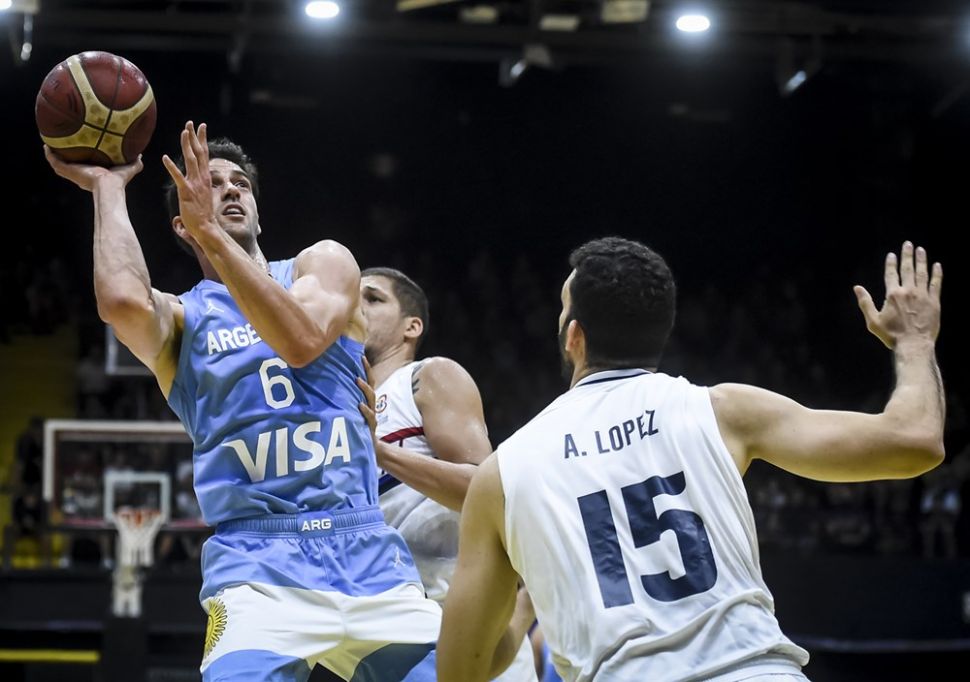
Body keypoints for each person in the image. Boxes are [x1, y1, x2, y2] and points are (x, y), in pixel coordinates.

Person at [438, 237, 945, 681]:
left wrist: (529, 599)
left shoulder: (504, 472)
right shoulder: (723, 411)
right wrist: (915, 342)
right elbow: (916, 440)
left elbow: (463, 670)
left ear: (574, 337)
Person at [45, 121, 441, 681]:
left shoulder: (323, 263)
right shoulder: (184, 320)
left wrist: (212, 233)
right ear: (182, 223)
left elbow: (300, 339)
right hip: (256, 565)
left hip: (366, 550)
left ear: (258, 212)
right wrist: (108, 187)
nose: (230, 189)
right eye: (211, 183)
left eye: (241, 184)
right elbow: (120, 302)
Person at [357, 267, 538, 681]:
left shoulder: (426, 376)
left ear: (412, 326)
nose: (357, 306)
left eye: (373, 298)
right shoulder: (336, 404)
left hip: (457, 621)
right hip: (378, 627)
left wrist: (380, 453)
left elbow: (484, 488)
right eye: (352, 297)